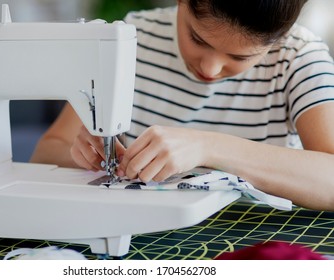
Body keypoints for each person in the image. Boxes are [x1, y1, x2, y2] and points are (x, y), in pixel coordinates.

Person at [30, 0, 334, 211]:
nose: (211, 69)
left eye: (240, 57)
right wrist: (89, 156)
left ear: (276, 41)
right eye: (198, 39)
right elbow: (46, 152)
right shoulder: (131, 39)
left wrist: (209, 147)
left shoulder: (298, 57)